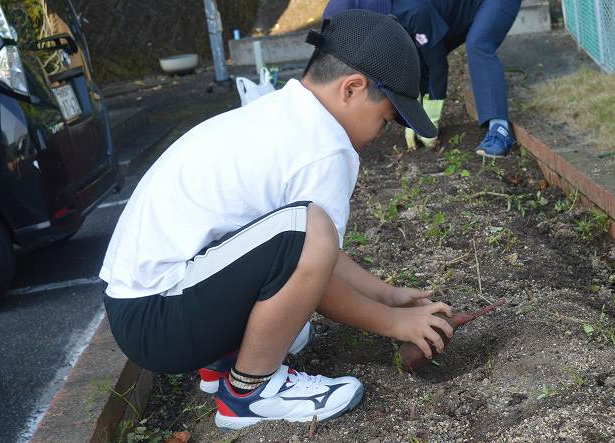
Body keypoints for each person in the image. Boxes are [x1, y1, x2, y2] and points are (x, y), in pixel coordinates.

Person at [99, 10, 455, 431]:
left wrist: (386, 294)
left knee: (298, 249)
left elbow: (305, 255)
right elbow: (314, 264)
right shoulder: (325, 148)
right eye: (388, 117)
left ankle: (222, 362)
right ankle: (250, 391)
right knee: (308, 234)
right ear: (353, 89)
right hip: (161, 321)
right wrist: (394, 322)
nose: (382, 131)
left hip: (144, 310)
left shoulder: (283, 114)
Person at [324, 0, 522, 158]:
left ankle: (500, 130)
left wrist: (429, 119)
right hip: (459, 12)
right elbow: (418, 66)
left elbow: (437, 67)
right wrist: (413, 117)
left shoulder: (411, 10)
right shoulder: (385, 20)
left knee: (478, 45)